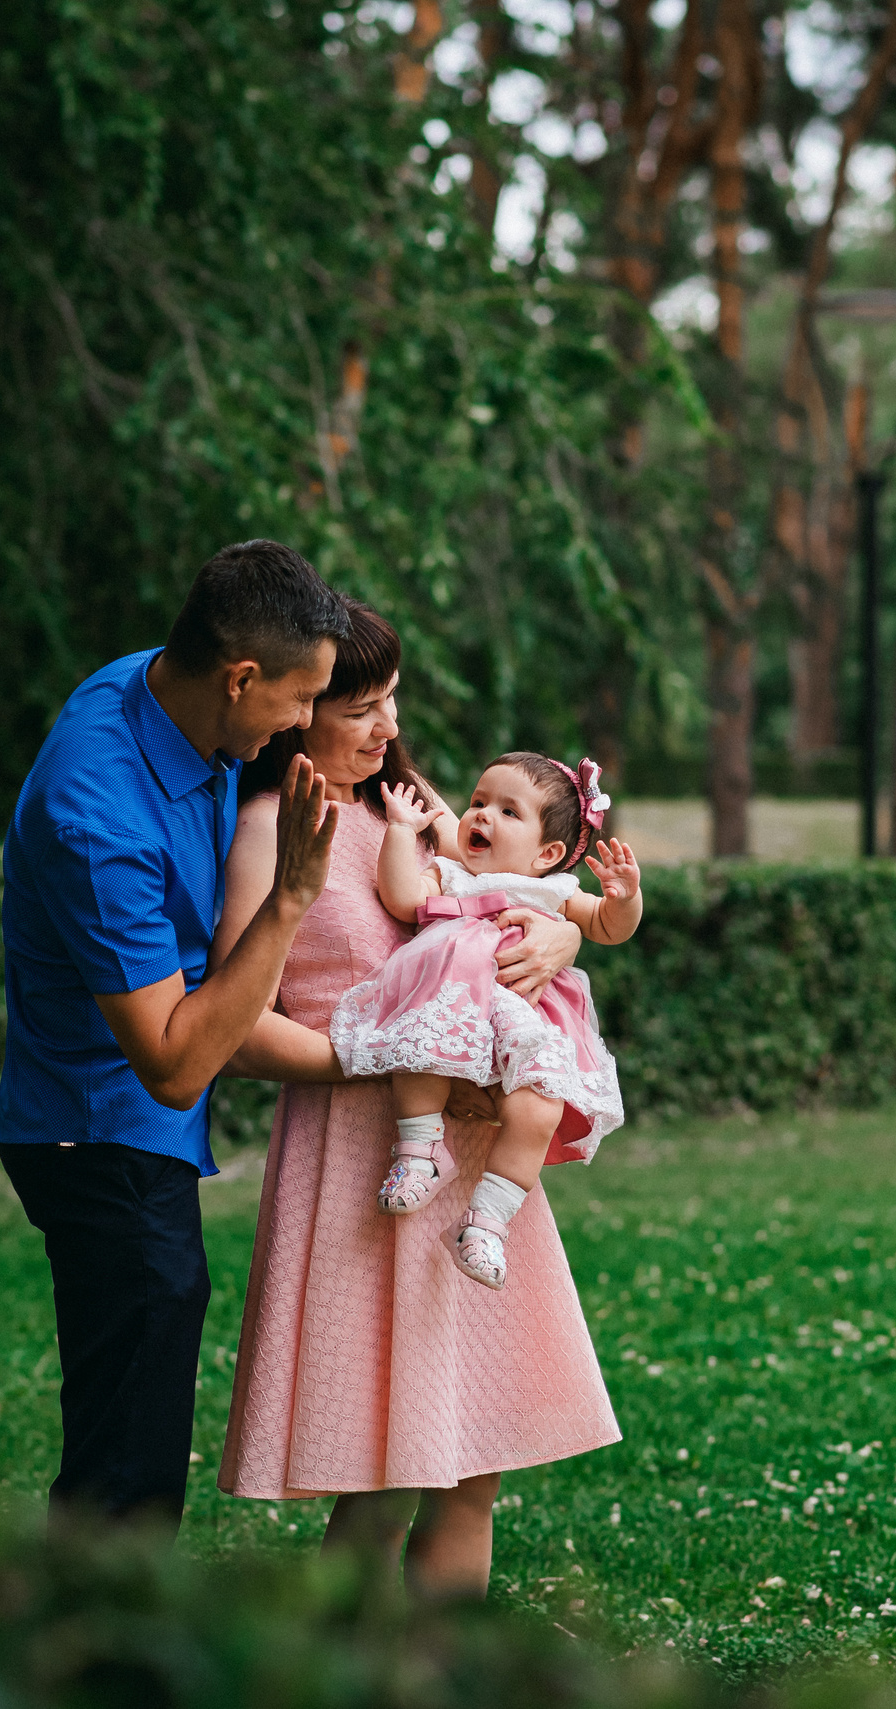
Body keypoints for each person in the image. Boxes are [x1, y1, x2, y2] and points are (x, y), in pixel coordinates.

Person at [215, 603, 617, 1598]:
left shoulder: (416, 804)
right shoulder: (270, 828)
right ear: (297, 710)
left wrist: (565, 935)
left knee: (470, 1469)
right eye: (358, 707)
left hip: (472, 1153)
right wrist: (379, 1053)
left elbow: (515, 890)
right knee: (383, 1478)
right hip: (363, 1153)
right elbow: (234, 1019)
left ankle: (450, 1673)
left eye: (391, 699)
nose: (386, 727)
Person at [0, 539, 350, 1528]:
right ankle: (104, 1643)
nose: (304, 724)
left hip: (123, 1127)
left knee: (132, 1409)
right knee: (127, 1450)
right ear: (240, 677)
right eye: (297, 700)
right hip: (99, 1131)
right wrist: (289, 902)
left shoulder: (162, 690)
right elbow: (177, 1063)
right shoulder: (94, 813)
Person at [332, 758, 643, 1289]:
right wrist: (403, 834)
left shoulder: (557, 892)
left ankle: (486, 1221)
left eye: (507, 811)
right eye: (477, 802)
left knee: (539, 1103)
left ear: (547, 853)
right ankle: (419, 1150)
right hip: (455, 1000)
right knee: (425, 1044)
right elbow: (403, 899)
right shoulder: (451, 874)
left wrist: (625, 896)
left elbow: (608, 929)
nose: (481, 816)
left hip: (525, 1018)